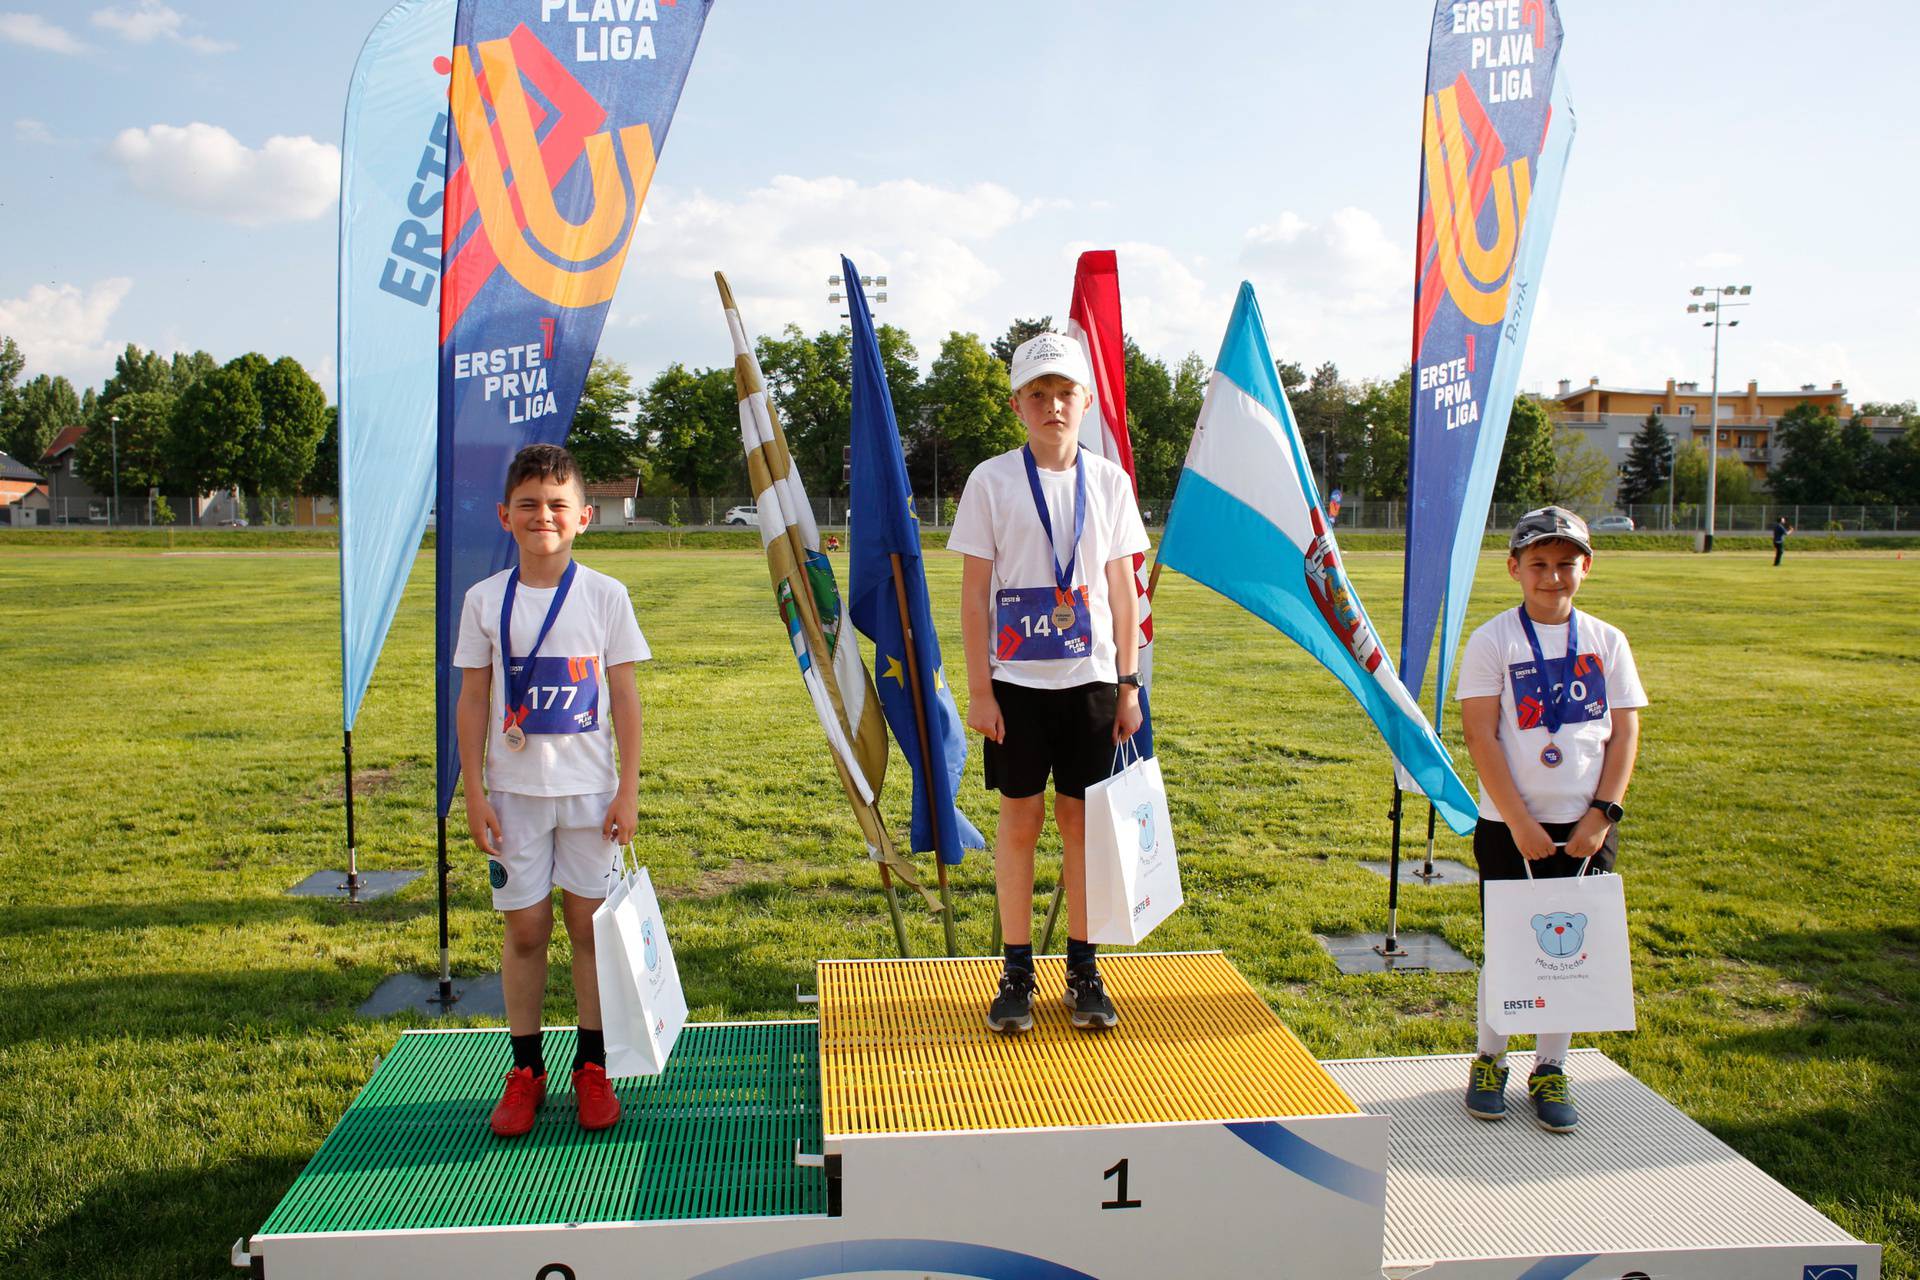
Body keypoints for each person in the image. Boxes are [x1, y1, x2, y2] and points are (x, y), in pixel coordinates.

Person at [949, 332, 1149, 1034]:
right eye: (1038, 394)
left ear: (1086, 402)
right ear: (1017, 406)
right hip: (1017, 686)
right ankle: (1015, 970)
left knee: (1082, 827)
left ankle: (1084, 968)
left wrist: (1128, 685)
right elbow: (975, 595)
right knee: (1020, 823)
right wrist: (980, 690)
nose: (1053, 406)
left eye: (1065, 393)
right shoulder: (991, 480)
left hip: (1092, 684)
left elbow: (1124, 591)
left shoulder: (1110, 482)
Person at [455, 443, 650, 1137]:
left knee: (589, 931)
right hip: (513, 800)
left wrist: (627, 788)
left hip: (591, 798)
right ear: (506, 515)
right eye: (530, 505)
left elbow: (623, 697)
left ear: (585, 518)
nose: (544, 516)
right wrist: (474, 792)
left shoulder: (605, 596)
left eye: (558, 505)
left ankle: (591, 1068)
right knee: (528, 930)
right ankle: (526, 1071)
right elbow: (473, 699)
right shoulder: (484, 601)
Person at [1455, 506, 1647, 1132]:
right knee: (1508, 945)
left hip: (1586, 826)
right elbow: (1481, 738)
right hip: (1511, 825)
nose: (1552, 576)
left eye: (1566, 563)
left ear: (1586, 568)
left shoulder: (1607, 641)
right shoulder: (1492, 641)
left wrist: (1602, 815)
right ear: (1514, 568)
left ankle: (1551, 1066)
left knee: (1571, 951)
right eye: (1538, 563)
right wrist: (1518, 822)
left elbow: (1623, 734)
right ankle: (1491, 1057)